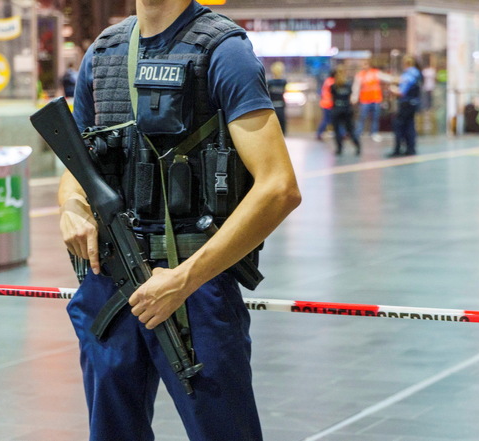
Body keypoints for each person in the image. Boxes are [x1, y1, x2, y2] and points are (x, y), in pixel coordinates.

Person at [58, 1, 301, 440]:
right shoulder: (104, 52)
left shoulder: (223, 50)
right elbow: (77, 164)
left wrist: (185, 278)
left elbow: (278, 188)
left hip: (195, 290)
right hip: (111, 281)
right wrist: (71, 207)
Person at [387, 55, 422, 157]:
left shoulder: (408, 75)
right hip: (414, 103)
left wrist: (392, 89)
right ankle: (410, 148)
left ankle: (397, 149)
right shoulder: (417, 74)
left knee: (399, 126)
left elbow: (402, 92)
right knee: (410, 126)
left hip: (405, 104)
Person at [352, 59, 388, 142]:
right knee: (362, 117)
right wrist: (354, 97)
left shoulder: (376, 73)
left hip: (376, 99)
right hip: (365, 100)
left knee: (375, 118)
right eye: (363, 65)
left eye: (366, 64)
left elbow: (387, 78)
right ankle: (358, 133)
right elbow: (356, 87)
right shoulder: (360, 75)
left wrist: (396, 79)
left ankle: (374, 133)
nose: (365, 66)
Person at [330, 64, 361, 155]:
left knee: (337, 130)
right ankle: (357, 146)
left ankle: (339, 148)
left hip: (337, 109)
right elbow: (351, 96)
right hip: (347, 109)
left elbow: (333, 97)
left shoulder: (334, 86)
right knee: (350, 129)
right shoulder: (348, 84)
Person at [266, 61, 287, 134]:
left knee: (272, 127)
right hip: (281, 106)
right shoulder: (283, 82)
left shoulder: (270, 82)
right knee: (282, 126)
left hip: (271, 106)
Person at [316, 69, 336, 141]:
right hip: (329, 104)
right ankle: (319, 133)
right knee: (329, 120)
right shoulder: (332, 82)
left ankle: (319, 133)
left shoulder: (327, 80)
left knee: (328, 119)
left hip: (325, 103)